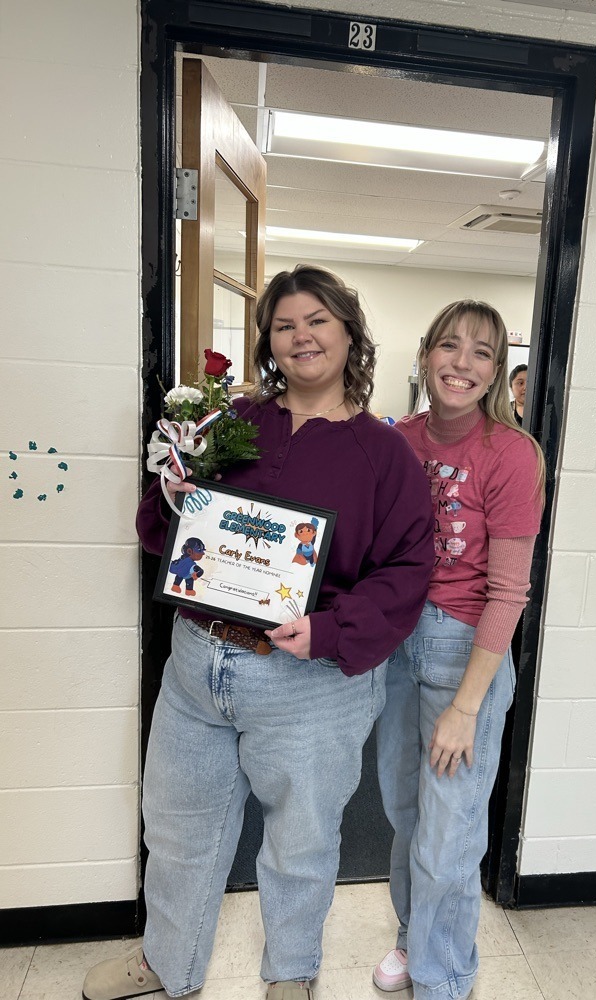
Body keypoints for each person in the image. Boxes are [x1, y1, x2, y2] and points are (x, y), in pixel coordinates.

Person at [83, 264, 434, 1000]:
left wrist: (332, 628)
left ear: (349, 333)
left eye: (318, 320)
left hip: (309, 684)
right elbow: (163, 532)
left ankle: (291, 974)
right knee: (176, 828)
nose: (301, 336)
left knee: (301, 842)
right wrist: (172, 496)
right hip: (197, 665)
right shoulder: (230, 425)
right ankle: (166, 962)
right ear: (268, 341)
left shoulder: (386, 455)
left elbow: (407, 571)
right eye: (284, 325)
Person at [374, 301, 545, 1000]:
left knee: (450, 830)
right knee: (405, 813)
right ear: (425, 355)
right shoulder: (397, 441)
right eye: (450, 346)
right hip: (397, 645)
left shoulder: (510, 454)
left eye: (482, 353)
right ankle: (413, 936)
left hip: (463, 653)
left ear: (497, 371)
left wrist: (467, 707)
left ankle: (443, 977)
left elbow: (508, 593)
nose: (462, 364)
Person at [509, 362, 527, 426]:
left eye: (529, 382)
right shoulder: (504, 411)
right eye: (520, 383)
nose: (525, 387)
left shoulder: (544, 409)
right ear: (511, 387)